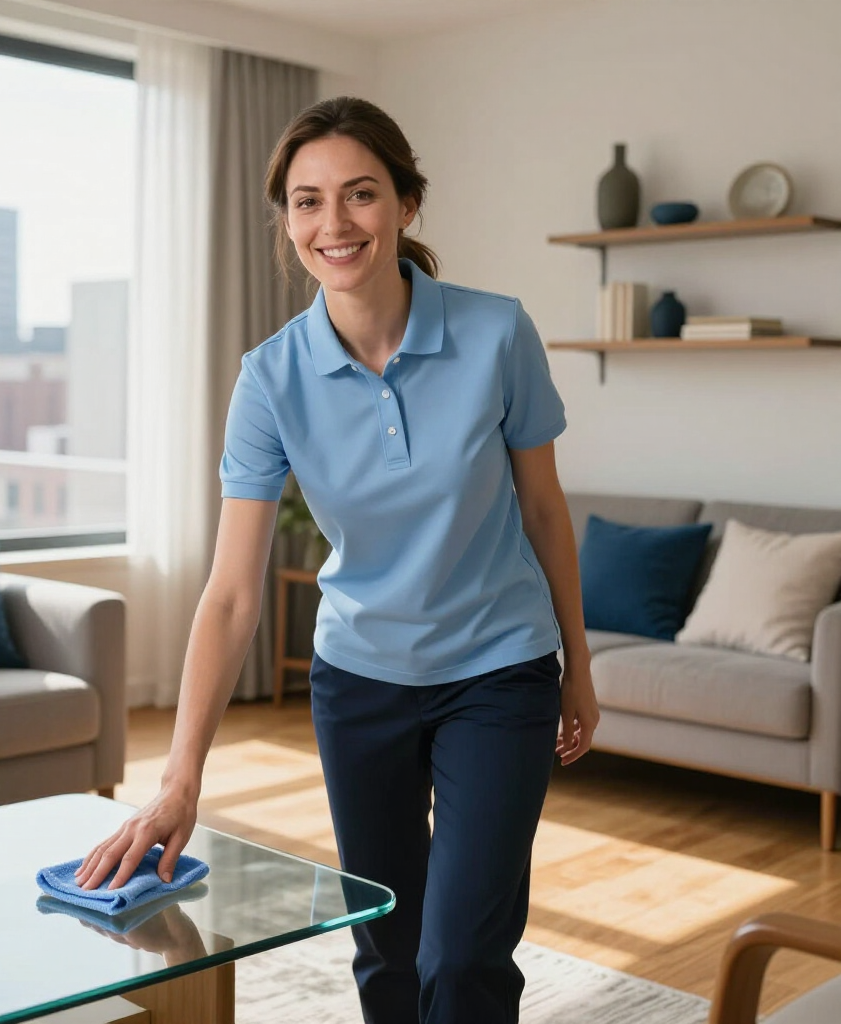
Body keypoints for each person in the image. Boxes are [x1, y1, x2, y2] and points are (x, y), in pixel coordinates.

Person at [75, 95, 600, 1024]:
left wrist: (578, 666)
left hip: (499, 671)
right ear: (287, 221)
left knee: (464, 954)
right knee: (387, 945)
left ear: (404, 202)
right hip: (360, 683)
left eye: (360, 194)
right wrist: (180, 779)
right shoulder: (270, 378)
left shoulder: (496, 334)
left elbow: (546, 511)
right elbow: (233, 594)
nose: (335, 223)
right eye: (308, 201)